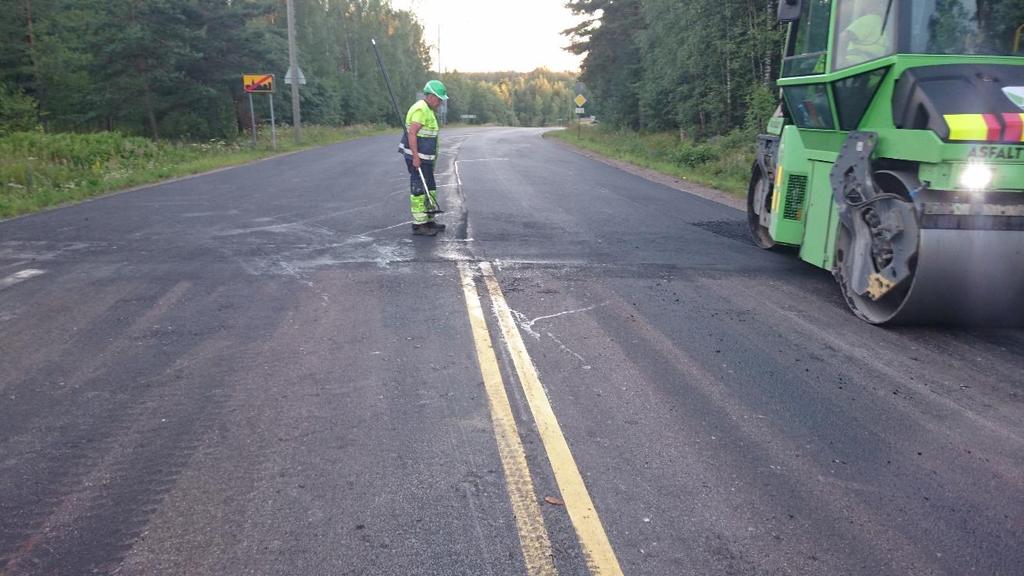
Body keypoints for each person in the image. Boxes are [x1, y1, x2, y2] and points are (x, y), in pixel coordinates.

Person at [399, 80, 448, 236]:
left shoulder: (428, 109)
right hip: (418, 158)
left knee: (430, 188)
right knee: (419, 189)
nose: (440, 102)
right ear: (431, 96)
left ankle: (429, 220)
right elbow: (412, 133)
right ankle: (419, 225)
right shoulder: (421, 109)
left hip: (425, 158)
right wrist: (415, 157)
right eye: (439, 99)